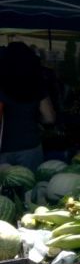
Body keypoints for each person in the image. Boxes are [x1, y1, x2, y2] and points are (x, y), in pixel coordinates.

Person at [0, 42, 56, 170]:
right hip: (30, 147)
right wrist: (36, 118)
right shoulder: (36, 83)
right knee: (30, 187)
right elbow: (49, 118)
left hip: (3, 148)